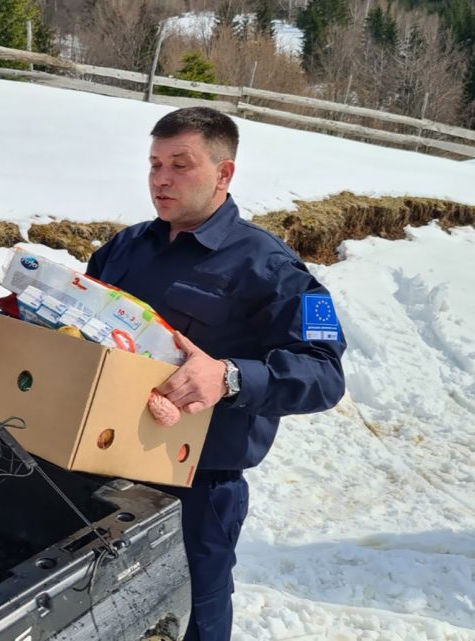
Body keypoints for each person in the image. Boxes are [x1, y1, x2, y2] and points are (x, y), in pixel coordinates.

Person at [86, 107, 347, 641]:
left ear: (224, 174)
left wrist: (228, 377)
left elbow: (325, 374)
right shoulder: (125, 246)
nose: (161, 179)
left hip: (195, 491)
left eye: (181, 165)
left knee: (196, 617)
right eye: (155, 164)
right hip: (99, 467)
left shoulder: (273, 268)